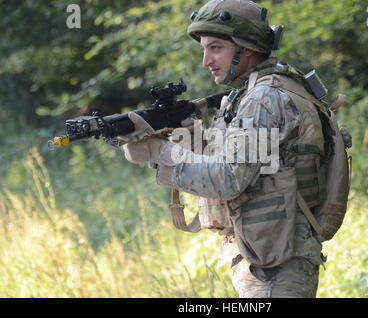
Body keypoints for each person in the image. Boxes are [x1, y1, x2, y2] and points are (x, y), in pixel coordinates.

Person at [119, 0, 327, 298]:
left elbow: (230, 178)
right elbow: (236, 159)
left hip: (276, 266)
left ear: (248, 48)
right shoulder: (256, 92)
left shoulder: (262, 99)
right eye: (204, 49)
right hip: (270, 252)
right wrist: (175, 141)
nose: (206, 60)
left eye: (215, 47)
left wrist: (160, 153)